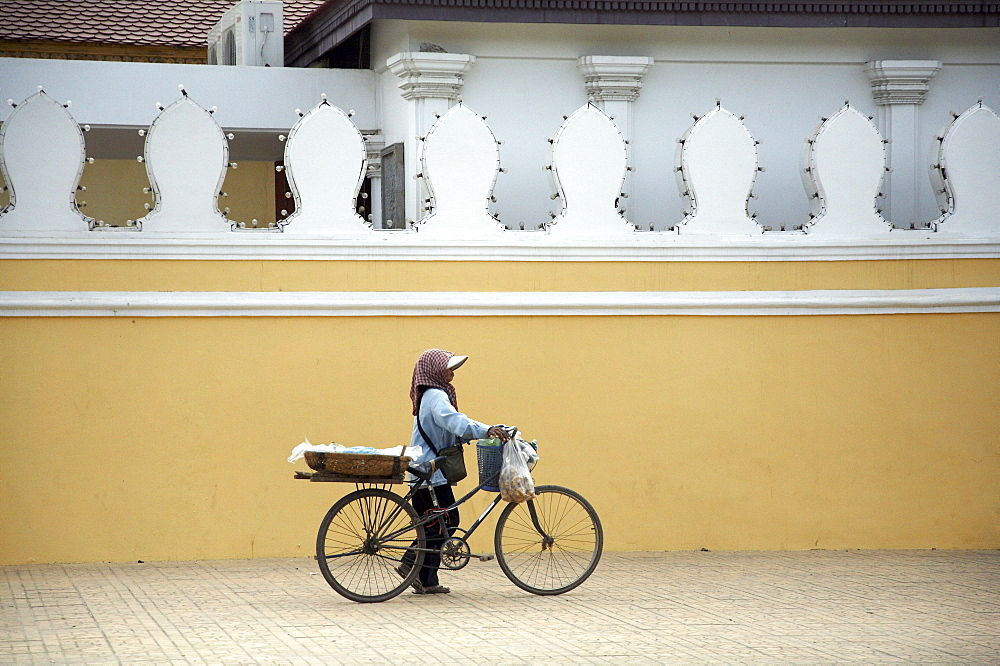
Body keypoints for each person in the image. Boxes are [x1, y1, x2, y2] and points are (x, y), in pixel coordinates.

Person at [398, 348, 510, 595]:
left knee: (436, 522)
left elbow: (449, 427)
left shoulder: (431, 394)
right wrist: (486, 430)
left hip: (429, 468)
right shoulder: (436, 395)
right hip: (429, 469)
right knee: (444, 522)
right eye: (449, 368)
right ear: (435, 371)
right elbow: (454, 421)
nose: (452, 373)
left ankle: (426, 580)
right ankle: (409, 563)